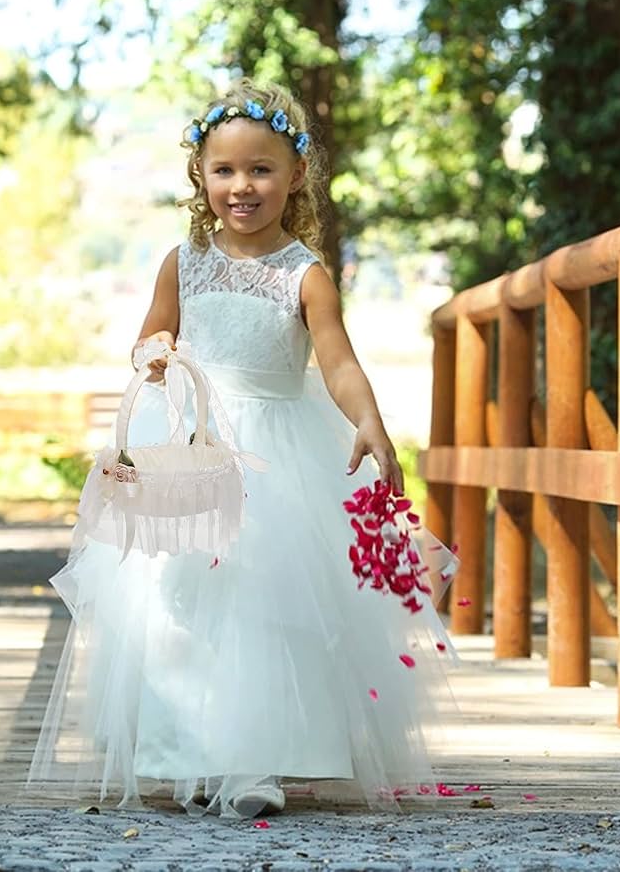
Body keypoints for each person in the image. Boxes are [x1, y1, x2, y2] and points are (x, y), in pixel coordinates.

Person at [26, 77, 457, 819]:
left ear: (295, 176)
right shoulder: (182, 261)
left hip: (278, 453)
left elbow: (339, 362)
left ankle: (259, 758)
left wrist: (369, 419)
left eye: (261, 168)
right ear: (200, 174)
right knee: (180, 598)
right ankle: (188, 751)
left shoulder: (305, 273)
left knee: (266, 603)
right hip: (193, 445)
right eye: (224, 169)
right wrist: (154, 353)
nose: (242, 185)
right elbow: (152, 332)